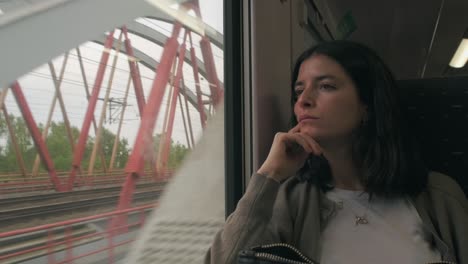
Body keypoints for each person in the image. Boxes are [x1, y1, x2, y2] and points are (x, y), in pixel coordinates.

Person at [205, 41, 468, 264]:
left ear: (367, 105)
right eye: (299, 91)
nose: (303, 100)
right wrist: (269, 173)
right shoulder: (289, 200)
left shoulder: (439, 196)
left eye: (326, 86)